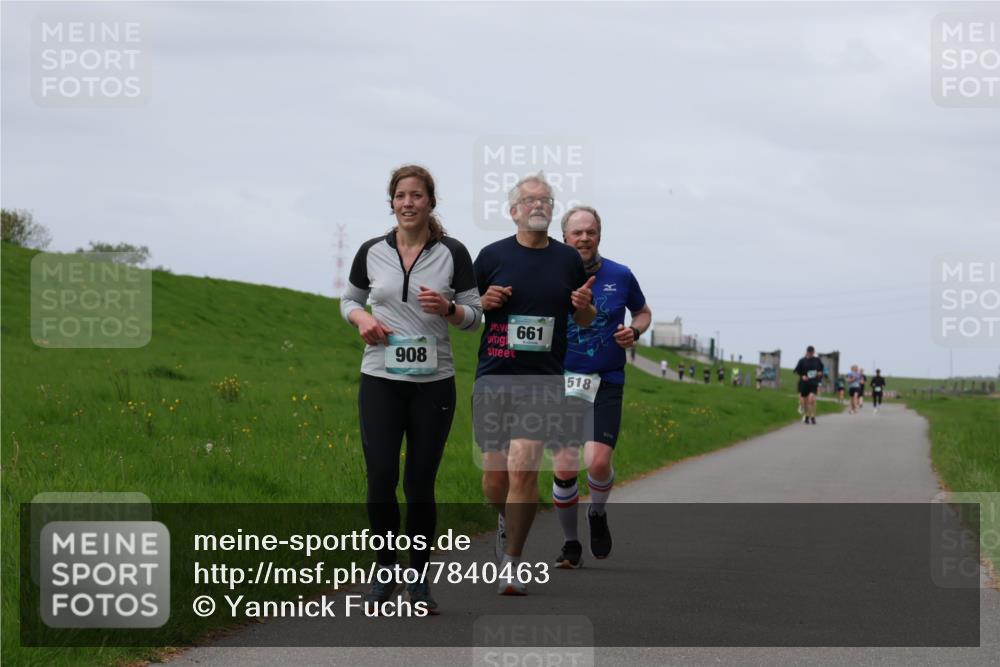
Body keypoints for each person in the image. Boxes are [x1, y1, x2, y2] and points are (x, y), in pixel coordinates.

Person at [341, 165, 483, 613]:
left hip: (433, 385)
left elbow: (476, 316)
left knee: (419, 483)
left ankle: (418, 581)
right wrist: (362, 318)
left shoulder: (453, 253)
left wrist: (449, 308)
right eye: (401, 195)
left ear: (430, 202)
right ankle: (384, 573)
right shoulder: (370, 251)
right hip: (380, 379)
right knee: (381, 479)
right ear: (392, 202)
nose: (408, 203)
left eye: (416, 195)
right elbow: (349, 299)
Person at [473, 173, 596, 595]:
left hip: (542, 380)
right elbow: (470, 313)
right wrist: (483, 302)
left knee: (523, 467)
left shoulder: (567, 260)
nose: (538, 205)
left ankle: (512, 564)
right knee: (494, 480)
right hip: (494, 376)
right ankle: (505, 518)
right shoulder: (490, 256)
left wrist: (584, 308)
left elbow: (583, 318)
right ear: (513, 211)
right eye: (529, 201)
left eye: (545, 200)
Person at [553, 205, 651, 568]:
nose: (583, 238)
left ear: (599, 236)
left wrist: (635, 330)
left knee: (597, 462)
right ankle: (570, 544)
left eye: (590, 232)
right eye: (576, 232)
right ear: (564, 237)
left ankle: (596, 512)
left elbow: (643, 311)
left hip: (606, 379)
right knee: (564, 466)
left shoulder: (621, 275)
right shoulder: (551, 274)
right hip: (562, 381)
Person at [793, 346, 824, 424]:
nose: (810, 354)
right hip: (804, 383)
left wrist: (819, 373)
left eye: (812, 352)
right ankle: (807, 416)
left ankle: (813, 417)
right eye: (809, 352)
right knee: (806, 401)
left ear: (814, 352)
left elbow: (821, 370)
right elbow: (796, 370)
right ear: (807, 352)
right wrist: (802, 376)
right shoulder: (802, 360)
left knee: (811, 399)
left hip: (813, 383)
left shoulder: (817, 360)